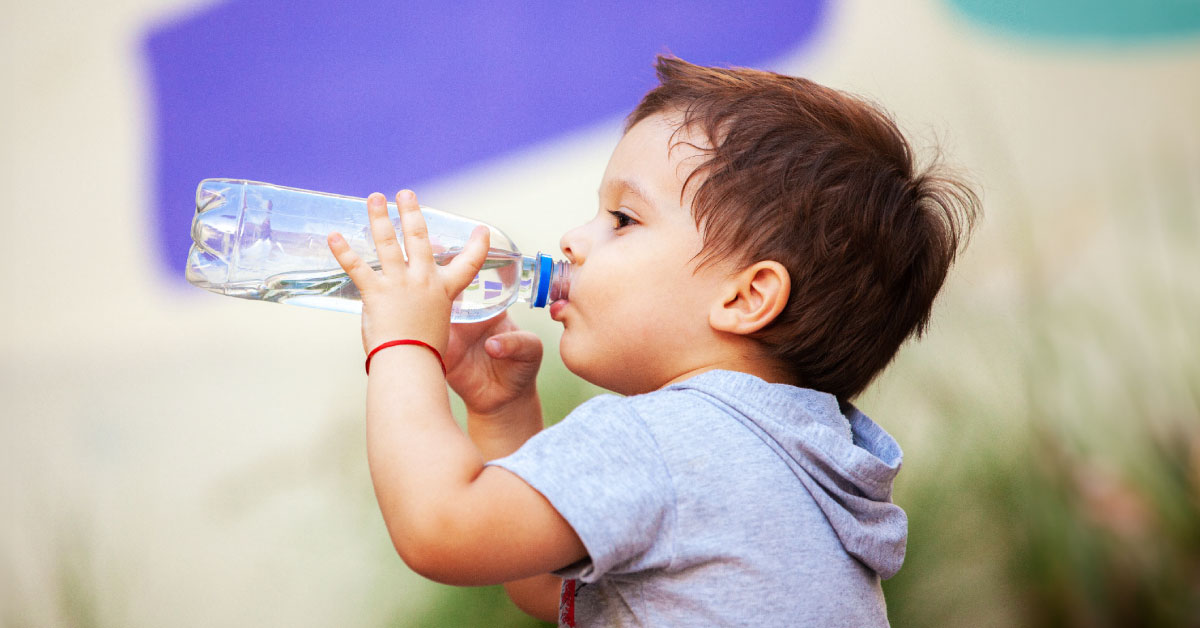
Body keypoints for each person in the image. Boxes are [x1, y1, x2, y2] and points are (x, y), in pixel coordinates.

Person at [327, 55, 978, 626]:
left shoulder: (671, 436)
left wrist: (402, 343)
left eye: (622, 219)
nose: (574, 240)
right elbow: (541, 581)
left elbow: (442, 530)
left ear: (746, 297)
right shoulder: (799, 457)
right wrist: (502, 412)